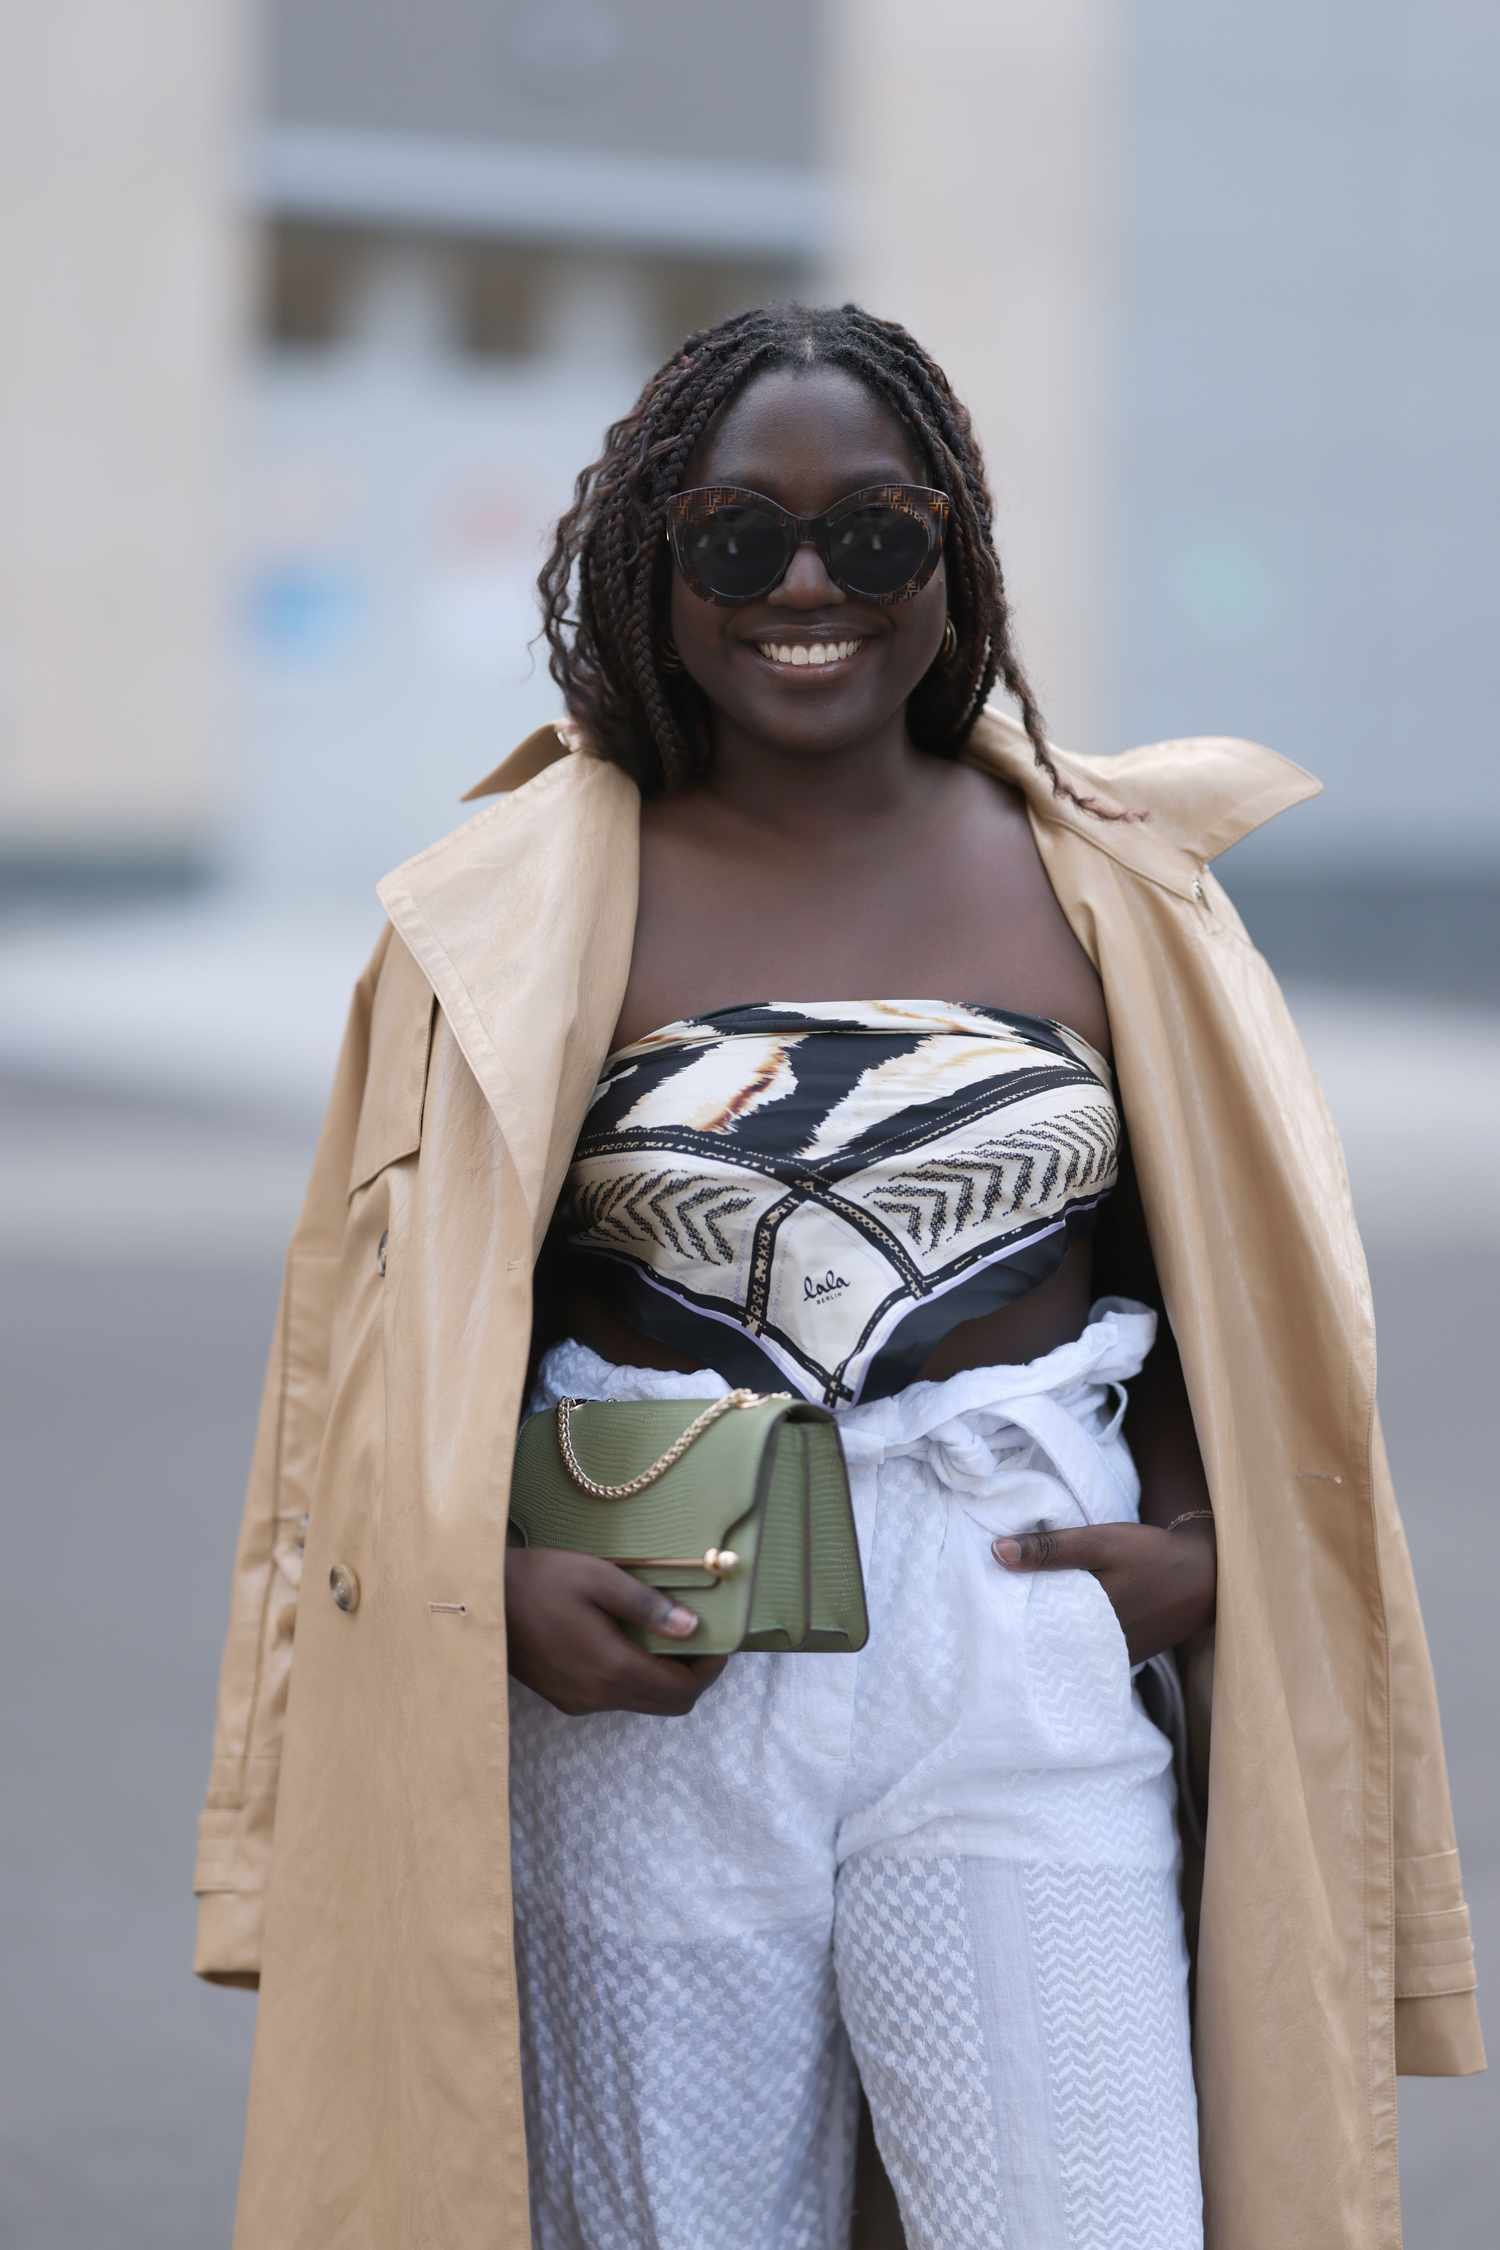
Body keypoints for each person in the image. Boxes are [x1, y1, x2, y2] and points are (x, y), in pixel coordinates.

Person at [193, 306, 1483, 2250]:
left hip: (1021, 1652)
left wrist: (1207, 1541)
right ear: (655, 561)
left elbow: (1226, 1294)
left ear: (951, 551)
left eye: (872, 538)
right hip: (647, 1681)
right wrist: (494, 1587)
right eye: (738, 541)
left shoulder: (1117, 889)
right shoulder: (510, 909)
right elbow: (393, 1356)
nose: (809, 589)